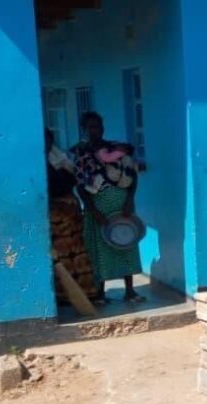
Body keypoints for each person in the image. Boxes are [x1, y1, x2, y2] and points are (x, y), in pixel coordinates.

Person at [71, 112, 144, 304]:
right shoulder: (81, 154)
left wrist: (129, 200)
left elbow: (132, 175)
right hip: (97, 209)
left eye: (98, 126)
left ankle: (130, 291)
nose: (95, 130)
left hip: (122, 206)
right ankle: (100, 294)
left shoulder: (116, 150)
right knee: (100, 249)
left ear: (103, 127)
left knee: (125, 243)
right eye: (91, 127)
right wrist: (93, 210)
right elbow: (80, 185)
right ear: (84, 130)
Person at [46, 129, 99, 304]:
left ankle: (86, 292)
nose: (46, 144)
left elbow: (70, 181)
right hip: (53, 216)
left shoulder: (60, 159)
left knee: (77, 252)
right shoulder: (39, 163)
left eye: (49, 140)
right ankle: (64, 295)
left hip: (68, 211)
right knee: (59, 256)